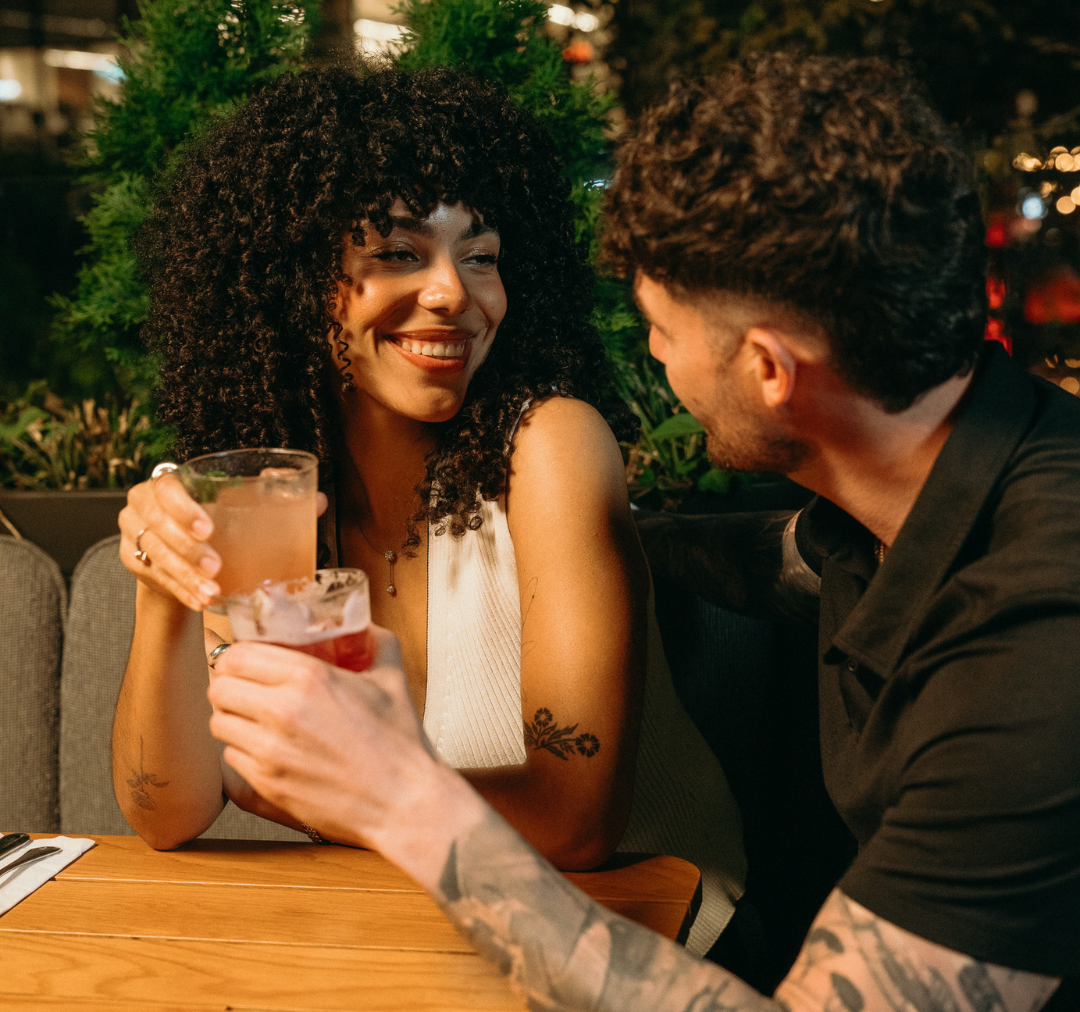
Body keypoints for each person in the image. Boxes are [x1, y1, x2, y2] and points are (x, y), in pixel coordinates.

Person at [206, 52, 1080, 1012]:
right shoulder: (942, 489)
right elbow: (787, 560)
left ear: (770, 369)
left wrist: (400, 796)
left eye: (662, 329)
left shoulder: (1034, 645)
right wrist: (577, 541)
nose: (654, 358)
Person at [112, 65, 745, 955]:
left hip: (643, 938)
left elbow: (574, 825)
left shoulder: (549, 449)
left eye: (480, 256)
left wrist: (329, 797)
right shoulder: (269, 498)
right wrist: (164, 593)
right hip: (415, 933)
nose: (454, 291)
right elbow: (166, 811)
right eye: (399, 253)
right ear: (298, 281)